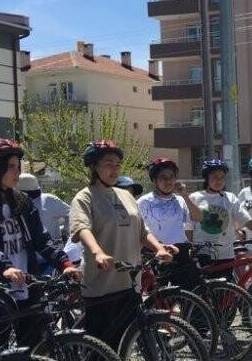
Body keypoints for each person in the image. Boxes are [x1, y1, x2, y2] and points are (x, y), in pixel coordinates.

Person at [0, 138, 78, 347]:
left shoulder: (22, 201)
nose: (17, 172)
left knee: (31, 349)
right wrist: (4, 268)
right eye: (10, 167)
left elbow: (41, 239)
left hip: (27, 285)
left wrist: (65, 264)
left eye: (18, 166)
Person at [68, 140, 175, 349]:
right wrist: (98, 252)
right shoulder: (85, 197)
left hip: (129, 280)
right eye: (108, 163)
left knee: (124, 343)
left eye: (117, 164)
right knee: (101, 348)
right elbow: (82, 229)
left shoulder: (126, 195)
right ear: (94, 166)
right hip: (102, 284)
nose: (114, 168)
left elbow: (143, 232)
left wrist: (159, 248)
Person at [189, 158, 252, 266]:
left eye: (221, 177)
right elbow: (188, 226)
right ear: (207, 178)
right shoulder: (195, 197)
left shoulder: (230, 198)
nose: (218, 181)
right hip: (202, 253)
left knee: (226, 282)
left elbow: (244, 218)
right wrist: (190, 246)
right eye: (214, 177)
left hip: (225, 254)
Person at [137, 157, 202, 248]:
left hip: (180, 251)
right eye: (163, 177)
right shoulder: (144, 202)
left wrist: (185, 196)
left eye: (171, 176)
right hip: (155, 252)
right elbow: (139, 232)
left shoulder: (181, 200)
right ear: (154, 180)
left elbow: (198, 218)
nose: (168, 181)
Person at [17, 173, 70, 242]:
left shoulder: (49, 199)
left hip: (53, 247)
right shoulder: (14, 204)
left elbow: (71, 213)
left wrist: (65, 232)